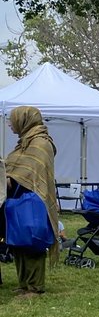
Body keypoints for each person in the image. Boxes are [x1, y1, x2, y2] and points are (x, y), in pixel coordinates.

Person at [3, 106, 59, 297]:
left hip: (33, 201)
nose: (10, 124)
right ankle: (24, 283)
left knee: (32, 243)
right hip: (17, 200)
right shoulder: (23, 143)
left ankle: (35, 286)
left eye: (13, 120)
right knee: (18, 243)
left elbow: (32, 173)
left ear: (25, 120)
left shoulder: (41, 144)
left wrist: (11, 177)